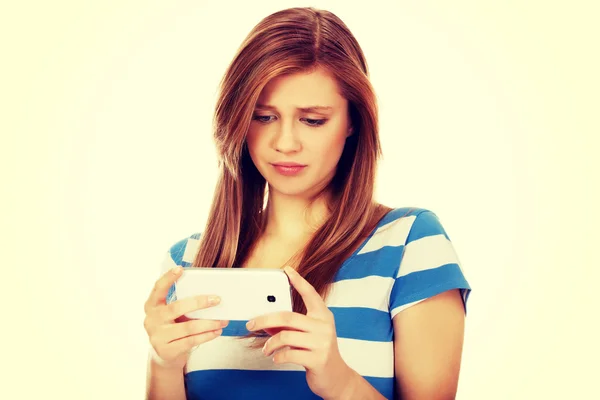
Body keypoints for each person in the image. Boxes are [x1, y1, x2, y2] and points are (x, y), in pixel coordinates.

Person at [144, 6, 471, 400]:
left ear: (353, 121)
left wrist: (339, 380)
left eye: (312, 120)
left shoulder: (410, 245)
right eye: (263, 117)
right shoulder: (187, 263)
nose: (285, 143)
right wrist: (162, 364)